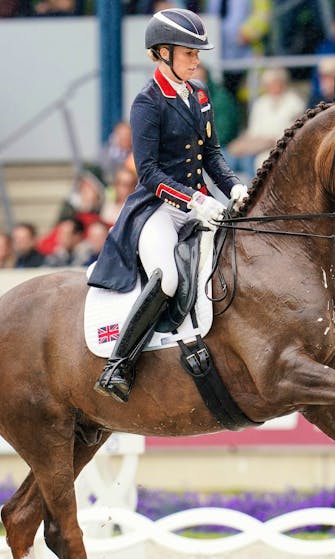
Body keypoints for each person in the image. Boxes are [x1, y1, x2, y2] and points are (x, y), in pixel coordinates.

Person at [87, 9, 246, 403]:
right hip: (158, 208)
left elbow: (212, 156)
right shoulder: (147, 102)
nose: (196, 59)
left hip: (199, 204)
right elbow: (149, 173)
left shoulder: (201, 96)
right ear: (162, 53)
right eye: (189, 52)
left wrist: (237, 188)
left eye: (197, 52)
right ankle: (119, 365)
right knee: (168, 278)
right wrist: (194, 200)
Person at [225, 66, 305, 178]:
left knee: (250, 161)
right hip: (255, 145)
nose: (271, 87)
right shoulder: (260, 103)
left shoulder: (295, 103)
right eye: (268, 84)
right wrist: (239, 144)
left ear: (283, 83)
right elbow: (252, 132)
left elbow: (288, 136)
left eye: (274, 83)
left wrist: (258, 145)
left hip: (278, 148)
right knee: (225, 157)